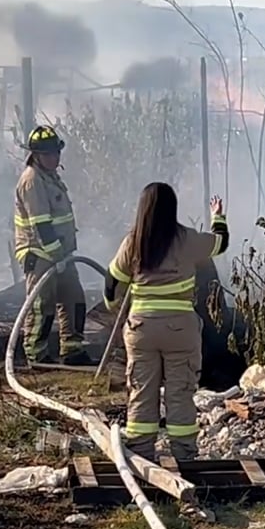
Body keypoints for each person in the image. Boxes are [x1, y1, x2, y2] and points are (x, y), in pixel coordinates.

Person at [104, 183, 229, 462]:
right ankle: (184, 456)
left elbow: (112, 283)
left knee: (141, 391)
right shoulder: (187, 239)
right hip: (180, 330)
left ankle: (141, 455)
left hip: (141, 330)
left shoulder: (133, 241)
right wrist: (218, 216)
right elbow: (220, 243)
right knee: (180, 392)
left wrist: (117, 310)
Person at [13, 124, 92, 366]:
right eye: (48, 154)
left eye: (56, 152)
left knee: (74, 299)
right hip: (40, 253)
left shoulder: (50, 177)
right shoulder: (32, 181)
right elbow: (41, 226)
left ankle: (72, 350)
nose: (54, 157)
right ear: (35, 155)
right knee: (41, 305)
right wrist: (57, 256)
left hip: (61, 254)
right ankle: (36, 356)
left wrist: (63, 256)